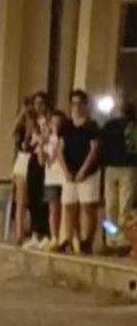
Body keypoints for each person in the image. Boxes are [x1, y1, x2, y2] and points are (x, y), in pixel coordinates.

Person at [58, 90, 100, 254]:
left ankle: (85, 240)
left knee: (86, 207)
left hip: (87, 172)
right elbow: (59, 150)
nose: (76, 107)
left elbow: (93, 151)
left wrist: (83, 170)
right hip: (70, 170)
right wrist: (66, 171)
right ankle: (66, 238)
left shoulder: (91, 125)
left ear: (85, 105)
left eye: (79, 103)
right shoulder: (66, 126)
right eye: (73, 103)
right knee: (68, 205)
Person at [99, 88, 137, 251]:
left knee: (116, 208)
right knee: (119, 208)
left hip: (119, 167)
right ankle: (116, 240)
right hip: (122, 167)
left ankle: (116, 240)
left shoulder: (115, 125)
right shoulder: (124, 125)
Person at [26, 91, 52, 247]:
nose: (38, 107)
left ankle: (45, 233)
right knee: (33, 196)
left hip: (46, 161)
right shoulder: (33, 123)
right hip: (33, 159)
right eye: (35, 104)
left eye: (41, 103)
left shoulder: (49, 122)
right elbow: (26, 144)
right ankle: (35, 232)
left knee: (44, 197)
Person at [39, 109, 67, 251]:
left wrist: (54, 134)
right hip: (50, 178)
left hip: (63, 177)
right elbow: (41, 161)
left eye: (58, 122)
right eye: (53, 122)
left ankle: (64, 237)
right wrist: (41, 144)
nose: (55, 125)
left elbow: (58, 153)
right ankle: (54, 236)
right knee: (52, 208)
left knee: (64, 208)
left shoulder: (63, 138)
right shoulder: (48, 140)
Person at [11, 97, 35, 245]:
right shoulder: (21, 129)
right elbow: (13, 132)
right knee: (20, 201)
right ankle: (19, 232)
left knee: (32, 200)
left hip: (34, 162)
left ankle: (32, 230)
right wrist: (22, 114)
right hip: (22, 161)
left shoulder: (40, 126)